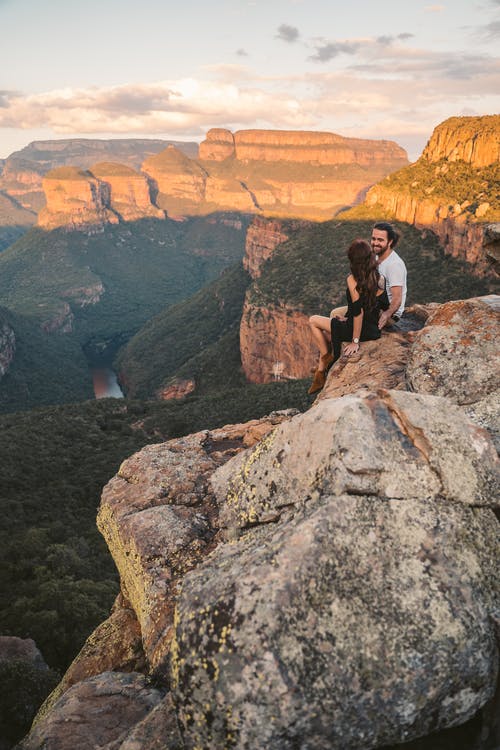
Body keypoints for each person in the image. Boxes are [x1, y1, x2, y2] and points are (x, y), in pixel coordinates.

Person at [308, 238, 389, 394]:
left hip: (358, 330)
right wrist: (348, 318)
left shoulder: (352, 280)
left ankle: (324, 359)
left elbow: (359, 312)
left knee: (313, 320)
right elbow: (380, 306)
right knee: (333, 323)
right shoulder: (380, 278)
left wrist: (355, 341)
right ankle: (322, 364)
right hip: (373, 330)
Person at [370, 222, 407, 329]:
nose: (375, 243)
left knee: (335, 327)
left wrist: (386, 314)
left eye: (380, 240)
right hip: (375, 307)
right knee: (336, 314)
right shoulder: (377, 257)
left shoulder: (394, 265)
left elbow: (397, 299)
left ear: (390, 242)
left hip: (390, 315)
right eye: (373, 239)